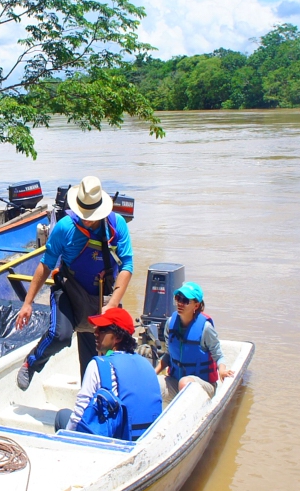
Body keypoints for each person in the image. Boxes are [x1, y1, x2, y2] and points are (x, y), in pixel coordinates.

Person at [14, 176, 134, 390]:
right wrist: (28, 302)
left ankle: (91, 402)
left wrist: (113, 303)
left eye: (92, 215)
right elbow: (45, 265)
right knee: (60, 336)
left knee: (97, 362)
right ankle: (31, 363)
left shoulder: (117, 227)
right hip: (69, 291)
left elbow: (127, 266)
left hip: (102, 298)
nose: (87, 219)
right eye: (84, 214)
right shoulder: (65, 227)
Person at [54, 307, 161, 438]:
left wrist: (66, 436)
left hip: (114, 443)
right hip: (143, 440)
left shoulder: (98, 365)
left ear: (118, 337)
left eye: (102, 329)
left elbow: (79, 414)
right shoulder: (147, 364)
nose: (96, 332)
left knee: (62, 416)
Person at [155, 282, 233, 403]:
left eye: (185, 300)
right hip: (176, 381)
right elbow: (168, 355)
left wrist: (222, 371)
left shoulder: (205, 328)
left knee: (185, 383)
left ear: (196, 305)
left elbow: (219, 356)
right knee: (152, 382)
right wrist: (152, 373)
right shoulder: (170, 323)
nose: (180, 303)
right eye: (178, 298)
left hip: (203, 386)